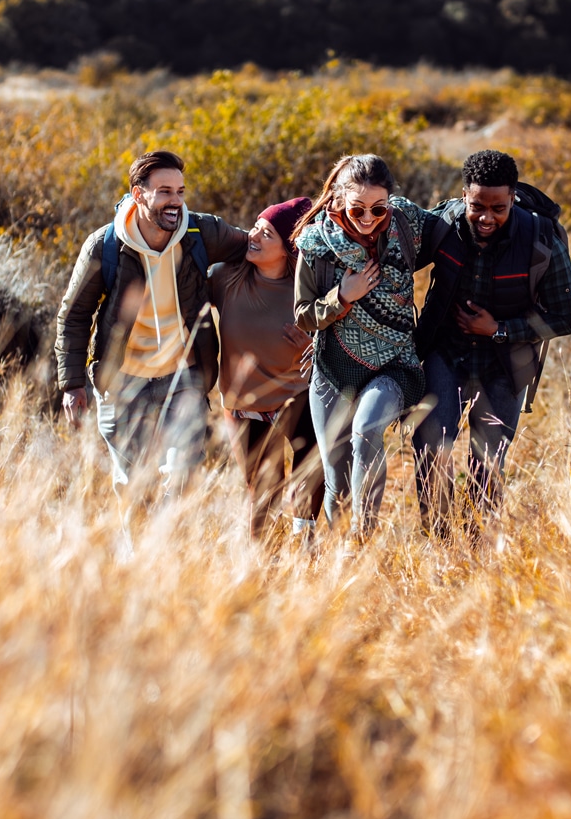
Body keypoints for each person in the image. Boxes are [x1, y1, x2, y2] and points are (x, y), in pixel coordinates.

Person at [56, 150, 247, 493]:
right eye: (164, 192)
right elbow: (74, 316)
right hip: (124, 381)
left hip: (183, 377)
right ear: (138, 193)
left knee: (183, 477)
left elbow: (259, 247)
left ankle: (171, 545)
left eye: (180, 191)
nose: (175, 201)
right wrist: (72, 384)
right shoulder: (105, 247)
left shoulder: (200, 232)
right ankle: (138, 549)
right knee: (134, 487)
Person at [412, 149, 571, 534]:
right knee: (429, 447)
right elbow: (397, 263)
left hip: (507, 364)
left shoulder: (540, 239)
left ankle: (478, 545)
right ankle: (437, 539)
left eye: (498, 208)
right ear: (464, 196)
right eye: (477, 206)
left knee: (487, 462)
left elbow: (567, 317)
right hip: (447, 353)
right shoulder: (444, 224)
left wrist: (499, 329)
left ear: (513, 197)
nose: (487, 217)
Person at [293, 153, 431, 540]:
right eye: (357, 209)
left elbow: (461, 220)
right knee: (336, 474)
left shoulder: (406, 224)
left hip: (395, 365)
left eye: (378, 208)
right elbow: (304, 315)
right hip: (334, 367)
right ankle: (342, 558)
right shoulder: (316, 244)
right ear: (337, 199)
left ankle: (361, 540)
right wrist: (342, 296)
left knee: (367, 429)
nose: (369, 218)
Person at [210, 197, 324, 542]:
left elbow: (337, 338)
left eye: (267, 234)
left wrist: (314, 348)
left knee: (312, 474)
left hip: (296, 397)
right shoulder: (224, 278)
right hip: (245, 406)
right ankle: (265, 569)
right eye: (256, 227)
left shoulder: (307, 288)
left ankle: (305, 545)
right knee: (263, 490)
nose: (254, 236)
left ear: (289, 248)